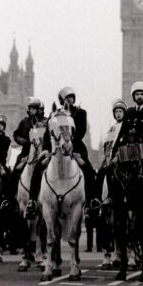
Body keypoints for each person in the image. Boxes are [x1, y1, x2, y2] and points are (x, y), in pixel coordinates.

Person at [25, 87, 99, 219]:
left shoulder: (81, 113)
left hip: (76, 148)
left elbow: (81, 131)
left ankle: (91, 201)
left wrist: (69, 143)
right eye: (67, 98)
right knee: (38, 168)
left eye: (71, 97)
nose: (69, 100)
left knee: (88, 169)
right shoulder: (55, 115)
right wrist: (46, 150)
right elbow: (48, 134)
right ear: (62, 101)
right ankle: (32, 201)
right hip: (55, 150)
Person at [10, 97, 46, 202]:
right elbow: (16, 135)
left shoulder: (46, 122)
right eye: (30, 109)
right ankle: (10, 199)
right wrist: (24, 142)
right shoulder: (24, 122)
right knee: (15, 172)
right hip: (26, 153)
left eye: (33, 108)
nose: (31, 111)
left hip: (42, 152)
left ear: (39, 109)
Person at [94, 99, 128, 207]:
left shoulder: (125, 126)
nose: (118, 114)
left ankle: (111, 196)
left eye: (120, 112)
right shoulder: (112, 128)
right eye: (116, 112)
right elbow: (107, 145)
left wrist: (117, 156)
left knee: (111, 172)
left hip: (121, 157)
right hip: (109, 158)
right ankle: (97, 199)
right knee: (100, 172)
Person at [0, 114, 12, 209]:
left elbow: (5, 153)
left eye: (1, 124)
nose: (0, 126)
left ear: (4, 126)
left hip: (0, 163)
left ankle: (6, 200)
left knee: (7, 177)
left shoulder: (7, 140)